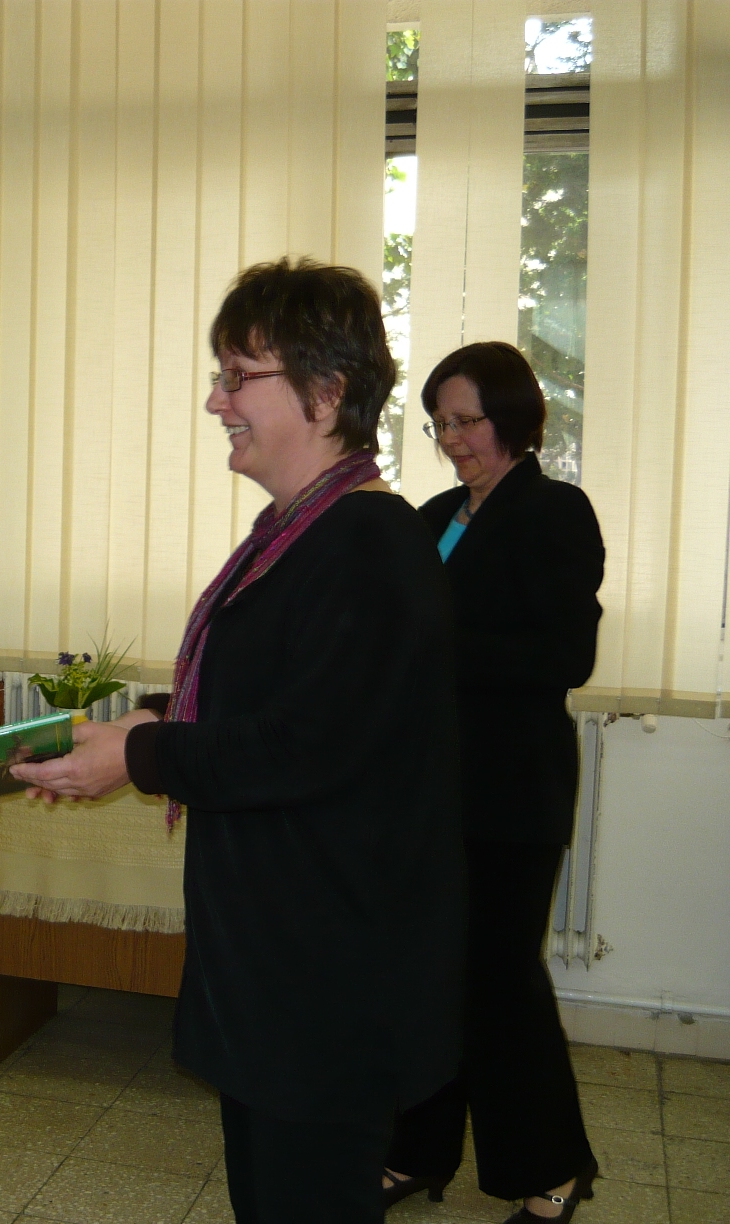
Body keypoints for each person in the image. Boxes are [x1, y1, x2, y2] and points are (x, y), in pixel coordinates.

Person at [12, 259, 466, 1223]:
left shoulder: (369, 544)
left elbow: (307, 745)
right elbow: (260, 700)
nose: (216, 401)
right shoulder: (299, 533)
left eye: (237, 376)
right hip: (277, 965)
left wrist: (140, 756)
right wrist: (141, 727)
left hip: (329, 978)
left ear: (326, 392)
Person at [382, 342, 604, 1222]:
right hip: (424, 792)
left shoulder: (555, 512)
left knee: (500, 985)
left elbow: (564, 655)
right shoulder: (436, 513)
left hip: (510, 793)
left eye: (467, 421)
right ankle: (417, 1150)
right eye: (439, 424)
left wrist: (430, 649)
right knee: (423, 978)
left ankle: (554, 1167)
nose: (452, 439)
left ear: (512, 416)